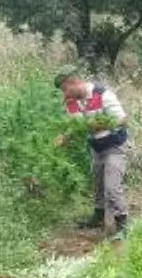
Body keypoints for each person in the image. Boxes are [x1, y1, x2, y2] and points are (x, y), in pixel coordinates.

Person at [53, 67, 130, 239]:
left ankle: (122, 224)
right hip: (96, 147)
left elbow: (122, 119)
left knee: (112, 187)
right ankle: (98, 217)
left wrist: (98, 125)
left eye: (65, 89)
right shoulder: (71, 102)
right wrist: (65, 137)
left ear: (74, 82)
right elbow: (76, 125)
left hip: (115, 145)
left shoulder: (102, 94)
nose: (65, 94)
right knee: (97, 183)